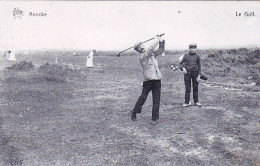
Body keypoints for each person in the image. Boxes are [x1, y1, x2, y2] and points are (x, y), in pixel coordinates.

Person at [131, 35, 165, 125]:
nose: (142, 46)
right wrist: (156, 39)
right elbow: (150, 48)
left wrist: (162, 42)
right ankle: (134, 111)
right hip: (148, 81)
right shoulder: (142, 56)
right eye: (139, 46)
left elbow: (160, 51)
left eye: (142, 44)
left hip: (157, 79)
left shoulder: (151, 54)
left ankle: (154, 118)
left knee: (156, 99)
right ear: (138, 50)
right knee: (143, 97)